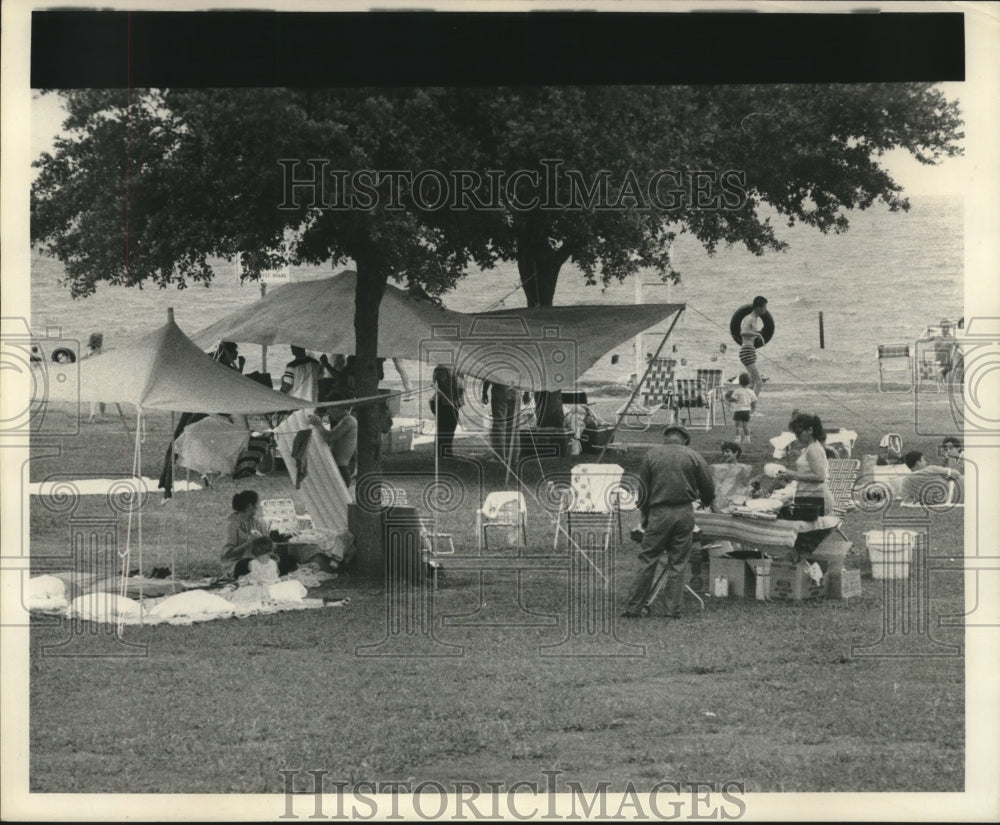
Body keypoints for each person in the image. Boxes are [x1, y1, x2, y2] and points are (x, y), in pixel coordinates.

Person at [622, 424, 715, 619]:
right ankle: (672, 610)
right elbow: (708, 485)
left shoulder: (652, 455)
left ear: (666, 437)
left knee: (648, 559)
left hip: (658, 512)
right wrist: (705, 500)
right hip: (684, 512)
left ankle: (633, 607)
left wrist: (645, 515)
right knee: (678, 562)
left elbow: (643, 490)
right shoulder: (693, 455)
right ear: (684, 439)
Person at [775, 412, 834, 516]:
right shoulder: (809, 448)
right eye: (795, 434)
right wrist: (788, 475)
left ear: (810, 430)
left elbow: (820, 477)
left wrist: (793, 475)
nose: (797, 436)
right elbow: (807, 472)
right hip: (808, 496)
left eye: (799, 433)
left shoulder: (813, 449)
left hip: (816, 498)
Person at [221, 490, 273, 578]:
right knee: (249, 563)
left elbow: (267, 548)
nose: (257, 507)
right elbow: (227, 554)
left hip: (257, 560)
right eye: (256, 504)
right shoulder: (232, 524)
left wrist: (266, 541)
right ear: (250, 506)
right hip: (237, 563)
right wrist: (249, 543)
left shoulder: (257, 523)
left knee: (288, 560)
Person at [309, 402, 358, 487]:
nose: (328, 412)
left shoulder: (348, 420)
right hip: (335, 467)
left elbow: (329, 437)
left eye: (330, 408)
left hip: (341, 468)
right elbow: (325, 435)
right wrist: (323, 419)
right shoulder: (337, 420)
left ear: (338, 408)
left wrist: (318, 423)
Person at [430, 365, 464, 458]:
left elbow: (460, 385)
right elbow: (440, 383)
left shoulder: (458, 368)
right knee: (444, 429)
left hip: (452, 402)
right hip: (444, 402)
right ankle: (442, 453)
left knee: (450, 428)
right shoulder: (441, 368)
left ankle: (447, 452)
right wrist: (456, 392)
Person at [738, 295, 768, 396]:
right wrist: (757, 334)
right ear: (758, 307)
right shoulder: (749, 318)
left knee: (752, 383)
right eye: (764, 307)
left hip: (750, 351)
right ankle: (751, 408)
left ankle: (746, 406)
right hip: (746, 351)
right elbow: (743, 332)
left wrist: (756, 334)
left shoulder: (755, 318)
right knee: (758, 382)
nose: (765, 309)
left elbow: (749, 333)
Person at [481, 379, 519, 460]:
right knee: (513, 426)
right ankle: (513, 456)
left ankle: (499, 456)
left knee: (499, 425)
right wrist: (527, 393)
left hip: (500, 389)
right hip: (515, 390)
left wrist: (484, 392)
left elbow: (489, 375)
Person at [724, 372, 757, 449]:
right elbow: (754, 401)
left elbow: (732, 399)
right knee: (746, 426)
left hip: (738, 410)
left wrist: (726, 398)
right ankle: (747, 439)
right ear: (749, 382)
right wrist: (753, 409)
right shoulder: (751, 391)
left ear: (739, 382)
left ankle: (737, 439)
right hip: (747, 411)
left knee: (737, 426)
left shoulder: (737, 391)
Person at [83, 332, 107, 423]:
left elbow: (83, 360)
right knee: (102, 397)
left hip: (93, 376)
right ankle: (101, 415)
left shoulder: (90, 352)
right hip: (100, 376)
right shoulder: (101, 352)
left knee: (94, 396)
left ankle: (93, 414)